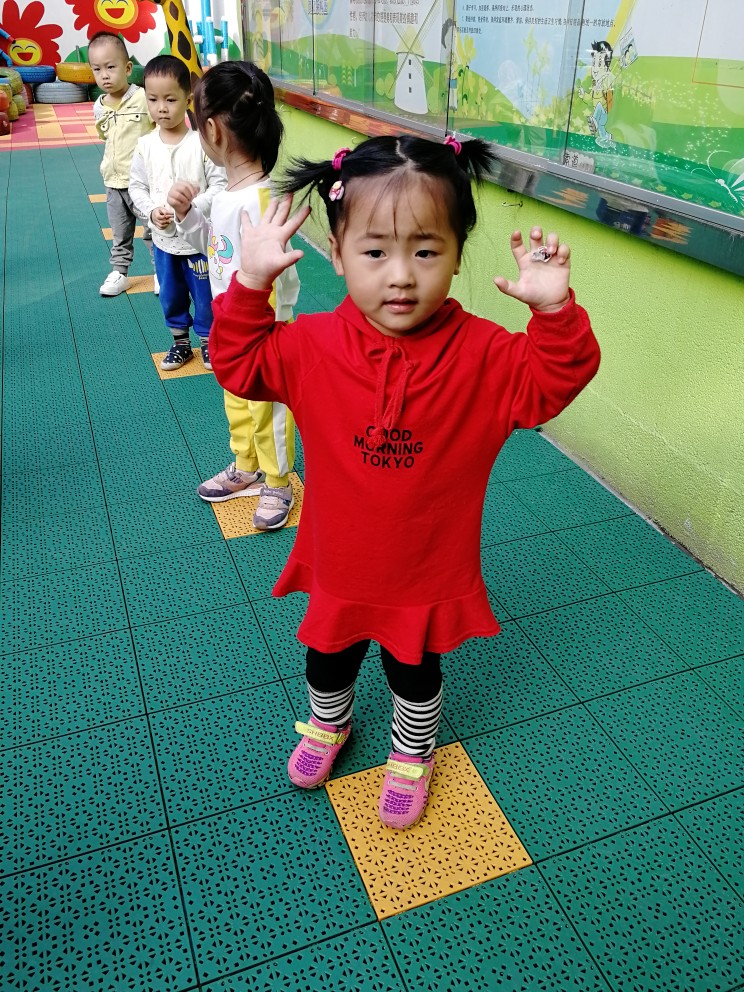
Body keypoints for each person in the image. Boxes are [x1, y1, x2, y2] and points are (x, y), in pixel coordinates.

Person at [209, 134, 601, 829]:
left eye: (425, 251)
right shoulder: (311, 345)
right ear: (336, 253)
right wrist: (249, 284)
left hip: (424, 570)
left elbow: (552, 383)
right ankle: (328, 724)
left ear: (458, 253)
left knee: (414, 674)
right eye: (374, 252)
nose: (400, 276)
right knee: (326, 660)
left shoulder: (484, 356)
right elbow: (238, 364)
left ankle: (411, 751)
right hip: (339, 560)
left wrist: (554, 313)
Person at [167, 62, 298, 530]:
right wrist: (187, 216)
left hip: (263, 328)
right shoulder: (225, 193)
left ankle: (278, 480)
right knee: (237, 398)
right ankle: (246, 465)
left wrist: (264, 323)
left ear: (212, 130)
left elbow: (281, 276)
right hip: (230, 322)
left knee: (269, 407)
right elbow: (214, 245)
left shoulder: (262, 200)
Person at [129, 55, 226, 371]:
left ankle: (209, 341)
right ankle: (180, 343)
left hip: (198, 241)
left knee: (205, 293)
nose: (161, 108)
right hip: (163, 241)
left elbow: (220, 184)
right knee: (170, 295)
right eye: (153, 99)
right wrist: (151, 211)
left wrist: (191, 209)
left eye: (170, 100)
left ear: (188, 99)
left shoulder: (202, 144)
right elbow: (136, 187)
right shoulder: (145, 146)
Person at [89, 31, 155, 297]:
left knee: (154, 230)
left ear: (127, 68)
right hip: (113, 183)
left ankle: (162, 272)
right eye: (97, 69)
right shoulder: (99, 106)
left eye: (110, 67)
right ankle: (120, 273)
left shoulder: (144, 98)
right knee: (120, 234)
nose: (104, 75)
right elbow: (108, 139)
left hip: (143, 182)